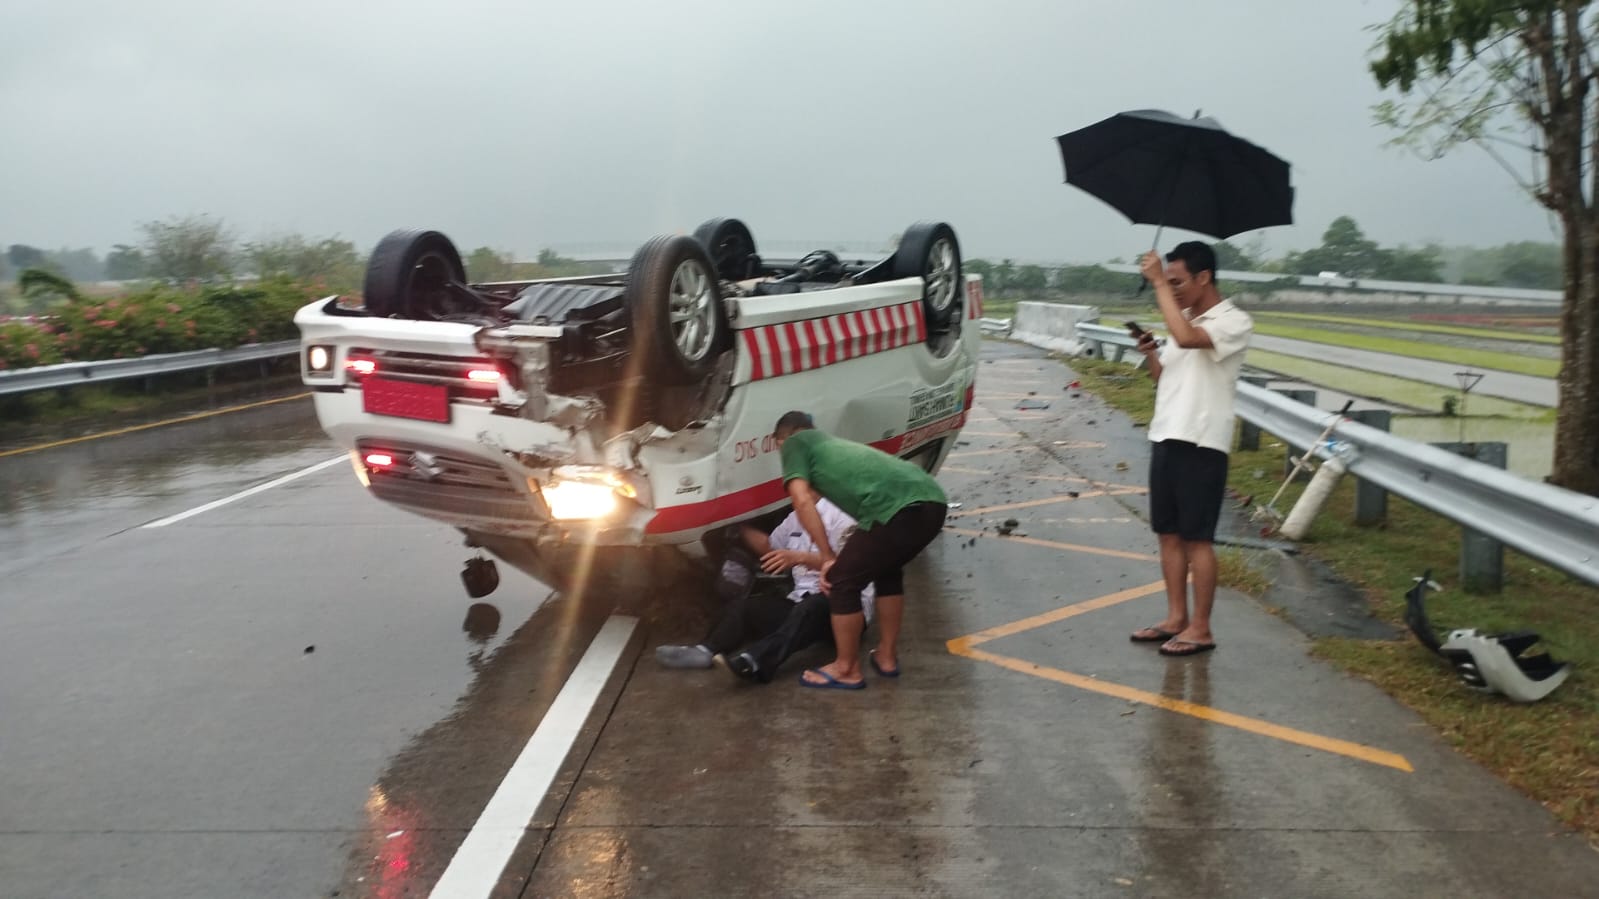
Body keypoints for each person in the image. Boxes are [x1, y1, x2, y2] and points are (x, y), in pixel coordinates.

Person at [1131, 241, 1254, 657]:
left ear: (1204, 278)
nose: (1173, 289)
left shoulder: (1233, 321)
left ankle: (1201, 628)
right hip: (1166, 433)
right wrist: (1151, 355)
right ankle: (1175, 618)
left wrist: (1156, 284)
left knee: (1197, 539)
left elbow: (1187, 340)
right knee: (1167, 534)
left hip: (1202, 443)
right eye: (1168, 283)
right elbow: (1166, 377)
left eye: (1177, 281)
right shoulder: (1179, 318)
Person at [773, 411, 949, 690]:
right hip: (932, 501)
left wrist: (828, 556)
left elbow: (801, 500)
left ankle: (846, 668)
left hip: (897, 509)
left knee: (841, 581)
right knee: (887, 571)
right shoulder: (832, 446)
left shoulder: (796, 443)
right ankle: (887, 657)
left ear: (780, 441)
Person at [655, 496, 875, 683]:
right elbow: (769, 546)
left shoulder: (843, 516)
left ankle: (756, 663)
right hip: (799, 602)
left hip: (844, 610)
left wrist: (800, 557)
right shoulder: (795, 517)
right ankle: (706, 650)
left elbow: (849, 566)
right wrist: (738, 524)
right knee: (746, 607)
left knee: (812, 607)